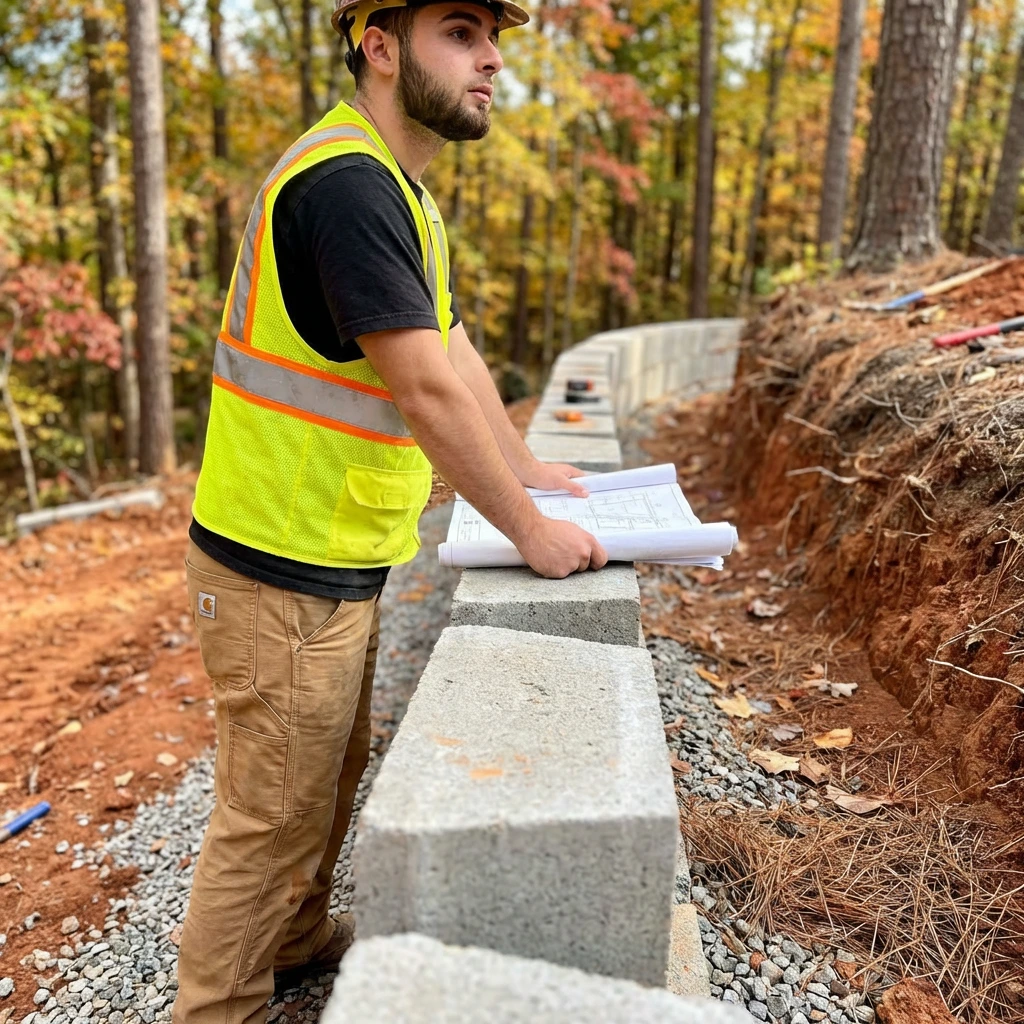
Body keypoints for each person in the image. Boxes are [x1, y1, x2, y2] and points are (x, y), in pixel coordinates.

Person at [171, 1, 608, 1021]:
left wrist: (524, 463)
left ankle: (295, 943)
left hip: (322, 546)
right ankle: (215, 1006)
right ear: (379, 47)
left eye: (492, 34)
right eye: (460, 31)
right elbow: (422, 389)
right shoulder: (346, 186)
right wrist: (527, 530)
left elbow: (453, 353)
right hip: (274, 555)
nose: (491, 55)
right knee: (270, 810)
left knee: (327, 770)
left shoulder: (395, 187)